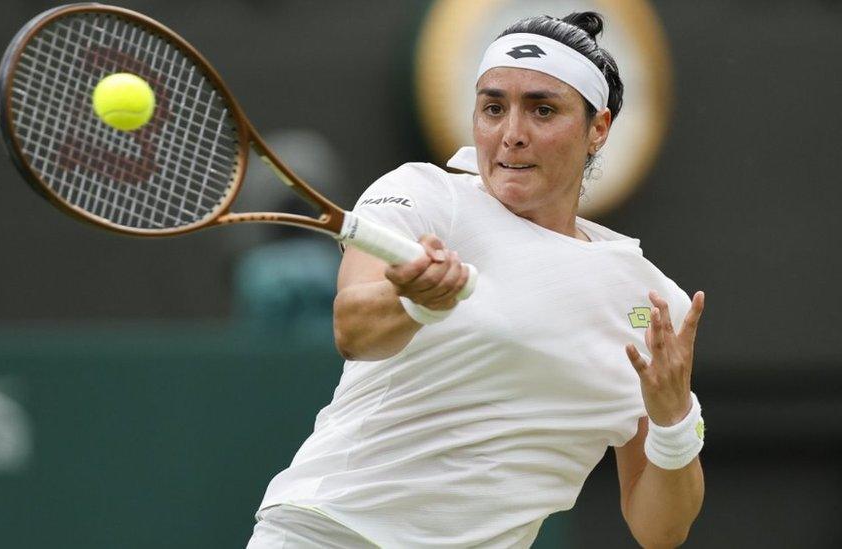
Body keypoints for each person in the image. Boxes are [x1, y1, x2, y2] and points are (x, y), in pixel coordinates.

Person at [248, 12, 706, 548]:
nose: (511, 135)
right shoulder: (422, 195)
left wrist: (674, 419)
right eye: (493, 108)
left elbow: (660, 531)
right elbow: (353, 329)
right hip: (329, 534)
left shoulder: (649, 301)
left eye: (542, 110)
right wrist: (415, 301)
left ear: (597, 130)